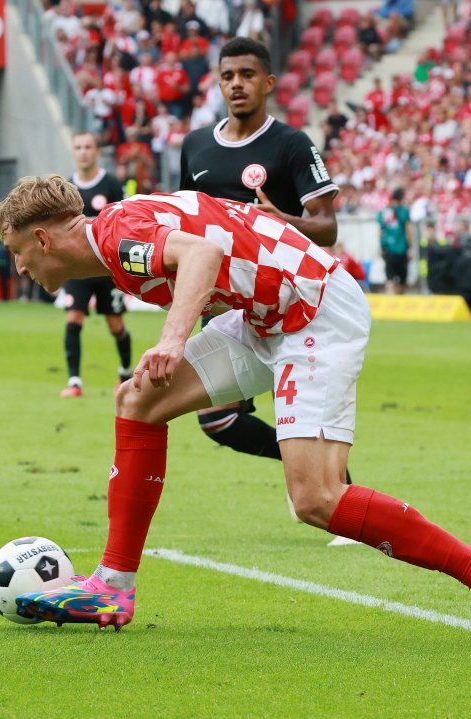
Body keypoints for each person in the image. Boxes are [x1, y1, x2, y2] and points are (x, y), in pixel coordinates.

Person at [0, 175, 471, 647]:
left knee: (317, 499)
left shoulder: (117, 236)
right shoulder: (119, 228)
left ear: (43, 238)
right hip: (263, 317)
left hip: (312, 310)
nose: (19, 267)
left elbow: (202, 254)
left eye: (18, 252)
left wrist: (173, 339)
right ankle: (112, 586)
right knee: (138, 400)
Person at [179, 38, 345, 504]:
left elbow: (327, 227)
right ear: (218, 81)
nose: (237, 84)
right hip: (223, 304)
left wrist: (281, 221)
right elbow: (185, 223)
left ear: (268, 83)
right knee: (216, 419)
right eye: (229, 75)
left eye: (248, 75)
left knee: (300, 413)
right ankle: (321, 472)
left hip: (288, 301)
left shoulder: (291, 144)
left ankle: (337, 490)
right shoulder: (195, 147)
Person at [60, 131, 133, 398]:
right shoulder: (66, 188)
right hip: (77, 270)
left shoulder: (112, 184)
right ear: (73, 151)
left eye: (88, 147)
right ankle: (74, 381)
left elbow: (124, 222)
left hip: (107, 269)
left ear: (97, 151)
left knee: (115, 325)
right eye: (78, 147)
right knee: (73, 318)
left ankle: (125, 372)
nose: (83, 152)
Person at [378, 188, 412, 294]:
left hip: (388, 249)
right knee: (402, 281)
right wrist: (411, 247)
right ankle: (401, 306)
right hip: (401, 249)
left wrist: (381, 247)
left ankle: (390, 305)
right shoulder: (404, 211)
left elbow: (380, 231)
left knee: (389, 279)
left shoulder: (384, 212)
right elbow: (407, 230)